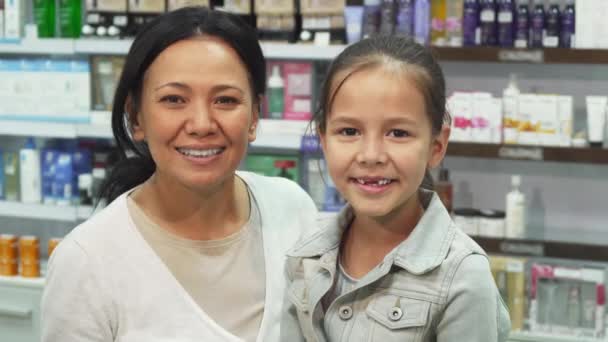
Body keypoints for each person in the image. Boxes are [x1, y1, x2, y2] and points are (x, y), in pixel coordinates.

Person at [41, 7, 318, 342]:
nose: (201, 124)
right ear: (136, 117)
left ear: (255, 116)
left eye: (225, 100)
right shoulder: (87, 261)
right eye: (174, 99)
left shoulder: (292, 211)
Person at [281, 35, 511, 341]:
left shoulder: (462, 279)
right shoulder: (305, 258)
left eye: (398, 133)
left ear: (436, 145)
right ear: (323, 139)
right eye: (349, 131)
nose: (371, 155)